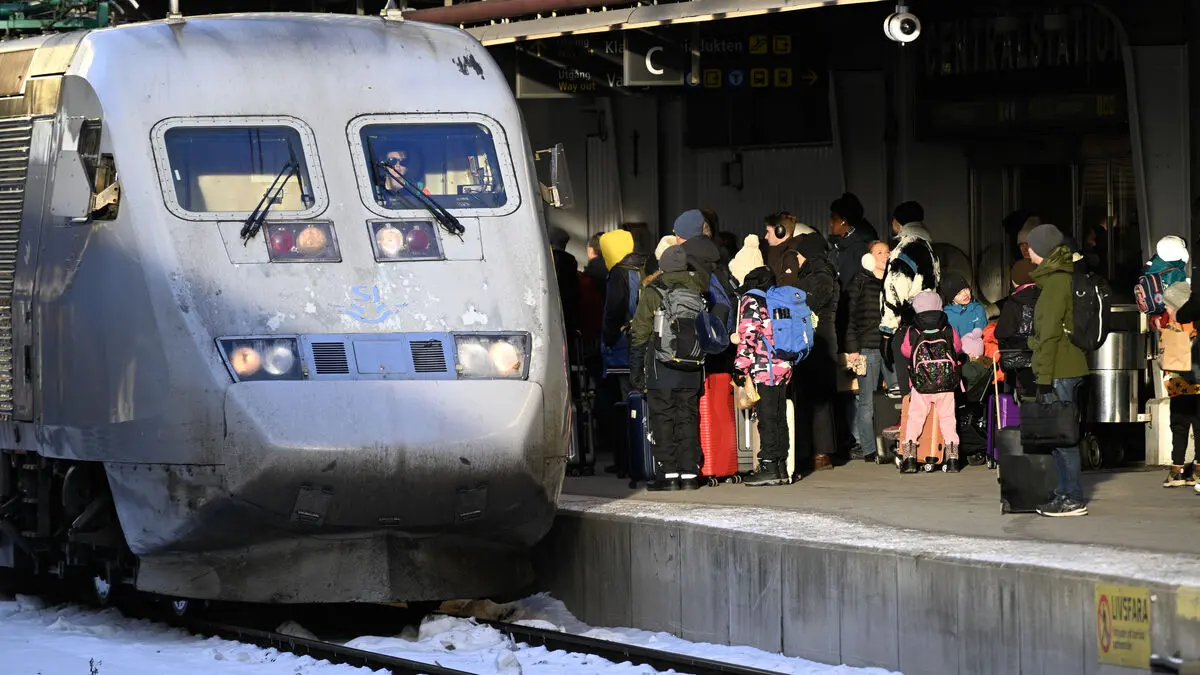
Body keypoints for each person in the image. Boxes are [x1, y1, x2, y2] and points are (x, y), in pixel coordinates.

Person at [628, 245, 706, 491]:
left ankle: (669, 474)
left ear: (663, 266)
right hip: (692, 365)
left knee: (663, 417)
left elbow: (640, 331)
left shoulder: (655, 291)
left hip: (661, 366)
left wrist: (636, 369)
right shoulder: (698, 289)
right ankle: (690, 474)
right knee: (688, 418)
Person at [1026, 223, 1090, 517]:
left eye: (1030, 246)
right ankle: (1064, 491)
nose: (1027, 251)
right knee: (1058, 435)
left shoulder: (1055, 283)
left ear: (1041, 250)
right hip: (1064, 365)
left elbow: (1050, 333)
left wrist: (1043, 377)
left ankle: (1072, 497)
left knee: (1063, 438)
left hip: (1059, 369)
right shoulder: (1060, 278)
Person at [729, 235, 793, 486]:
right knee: (778, 416)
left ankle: (768, 466)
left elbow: (749, 336)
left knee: (766, 418)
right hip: (784, 364)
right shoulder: (775, 295)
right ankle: (781, 466)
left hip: (765, 367)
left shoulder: (752, 298)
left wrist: (739, 368)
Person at [598, 229, 648, 477]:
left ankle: (627, 461)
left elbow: (614, 309)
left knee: (625, 404)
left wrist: (608, 337)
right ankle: (641, 458)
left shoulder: (619, 273)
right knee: (640, 401)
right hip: (641, 342)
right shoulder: (641, 268)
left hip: (622, 346)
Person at [792, 232, 841, 474]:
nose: (798, 259)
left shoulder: (819, 275)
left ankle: (819, 453)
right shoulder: (824, 273)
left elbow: (810, 304)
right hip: (823, 341)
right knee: (818, 397)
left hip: (815, 342)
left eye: (799, 255)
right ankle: (816, 451)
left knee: (815, 398)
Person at [898, 291, 963, 473]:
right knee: (948, 419)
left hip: (921, 384)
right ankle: (952, 458)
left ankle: (909, 458)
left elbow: (905, 351)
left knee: (915, 418)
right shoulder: (947, 328)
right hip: (945, 383)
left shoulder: (913, 330)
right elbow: (957, 347)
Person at [880, 202, 941, 393]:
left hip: (907, 327)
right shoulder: (929, 249)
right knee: (927, 385)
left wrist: (887, 331)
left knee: (909, 389)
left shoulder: (903, 250)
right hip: (930, 324)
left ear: (898, 223)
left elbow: (894, 292)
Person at [845, 241, 898, 459]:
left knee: (897, 397)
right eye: (879, 252)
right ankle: (869, 449)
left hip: (891, 348)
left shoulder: (894, 282)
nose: (885, 255)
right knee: (867, 402)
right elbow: (848, 317)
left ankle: (896, 445)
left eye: (887, 252)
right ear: (868, 257)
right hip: (867, 349)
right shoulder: (860, 281)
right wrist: (852, 348)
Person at [1158, 281, 1199, 488]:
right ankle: (1196, 470)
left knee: (1179, 424)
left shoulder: (1176, 326)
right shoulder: (1194, 325)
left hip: (1178, 380)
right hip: (1194, 380)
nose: (1166, 309)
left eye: (1168, 305)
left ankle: (1178, 469)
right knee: (1196, 423)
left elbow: (1164, 358)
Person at [995, 259, 1040, 398]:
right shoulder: (1047, 297)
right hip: (1045, 358)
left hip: (1019, 363)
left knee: (1026, 398)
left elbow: (1001, 332)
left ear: (1016, 280)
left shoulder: (1013, 303)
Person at [828, 193, 879, 294]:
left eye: (834, 219)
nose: (831, 223)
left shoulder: (859, 247)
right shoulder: (843, 245)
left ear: (843, 221)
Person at [941, 271, 987, 350]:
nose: (965, 294)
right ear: (952, 298)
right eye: (959, 293)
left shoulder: (978, 309)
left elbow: (985, 334)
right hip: (960, 353)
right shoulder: (948, 316)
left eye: (966, 289)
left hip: (979, 350)